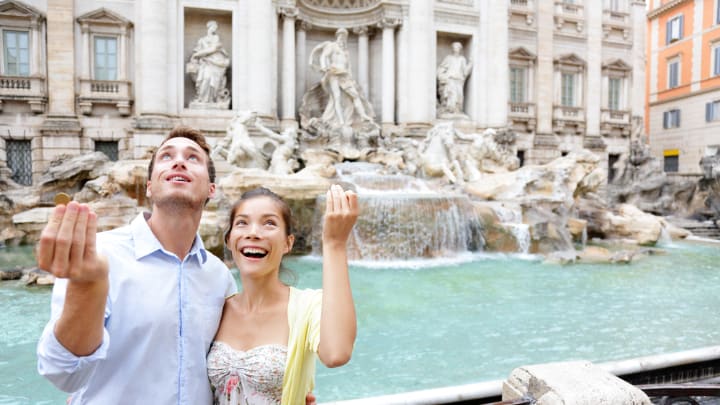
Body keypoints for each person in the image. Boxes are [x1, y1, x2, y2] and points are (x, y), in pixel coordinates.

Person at [35, 126, 315, 404]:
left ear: (211, 189)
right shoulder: (99, 256)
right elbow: (63, 374)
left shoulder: (220, 278)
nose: (179, 161)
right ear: (149, 186)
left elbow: (228, 378)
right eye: (166, 156)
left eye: (193, 158)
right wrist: (86, 288)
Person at [207, 184, 358, 404]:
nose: (253, 233)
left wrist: (335, 243)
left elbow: (336, 353)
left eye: (269, 223)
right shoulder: (215, 307)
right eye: (242, 223)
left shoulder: (309, 306)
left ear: (288, 243)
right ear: (229, 240)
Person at [309, 28, 373, 127]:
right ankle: (341, 121)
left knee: (355, 95)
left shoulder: (345, 51)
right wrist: (324, 67)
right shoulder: (332, 46)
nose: (342, 38)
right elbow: (324, 56)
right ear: (337, 36)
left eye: (344, 36)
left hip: (344, 75)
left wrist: (350, 78)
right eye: (340, 35)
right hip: (333, 73)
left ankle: (363, 115)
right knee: (337, 97)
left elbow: (349, 67)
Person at [188, 20, 231, 105]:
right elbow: (197, 51)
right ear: (209, 27)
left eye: (216, 28)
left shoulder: (216, 39)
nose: (215, 29)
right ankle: (202, 98)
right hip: (205, 64)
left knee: (213, 82)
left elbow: (215, 50)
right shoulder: (202, 40)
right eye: (213, 27)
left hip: (215, 64)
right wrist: (196, 56)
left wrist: (199, 55)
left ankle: (212, 100)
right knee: (206, 79)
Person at [437, 42, 472, 116]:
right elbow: (441, 68)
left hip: (459, 80)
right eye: (455, 47)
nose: (456, 49)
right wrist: (442, 75)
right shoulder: (448, 58)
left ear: (460, 49)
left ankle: (457, 111)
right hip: (450, 80)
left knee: (459, 97)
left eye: (458, 47)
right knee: (451, 96)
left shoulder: (462, 59)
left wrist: (470, 64)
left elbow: (465, 71)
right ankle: (449, 111)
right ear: (452, 49)